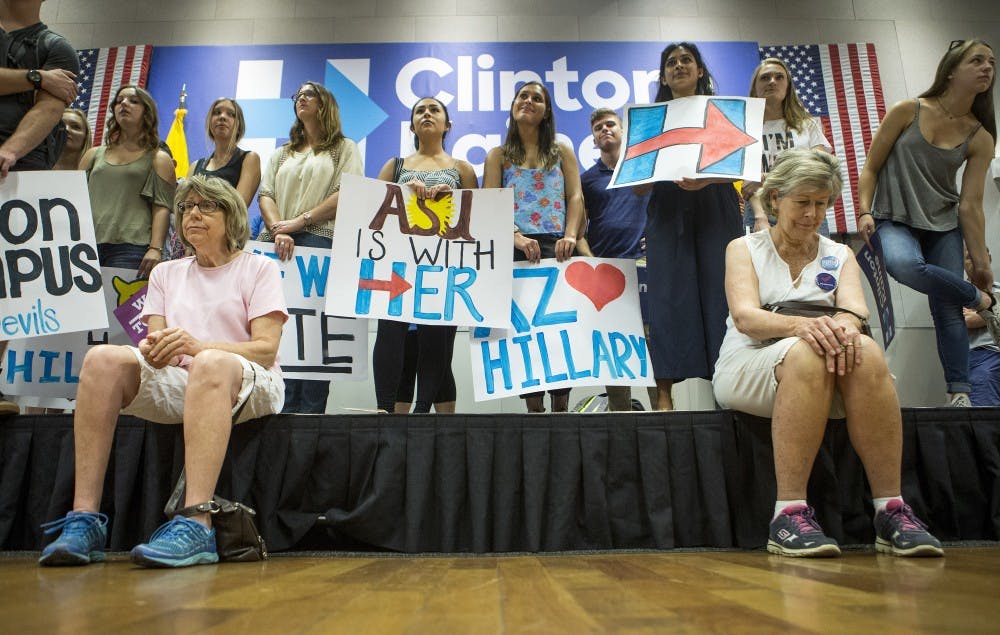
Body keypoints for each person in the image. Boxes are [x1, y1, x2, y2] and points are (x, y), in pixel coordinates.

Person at [37, 176, 287, 568]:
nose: (193, 215)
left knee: (209, 362)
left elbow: (266, 349)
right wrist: (154, 353)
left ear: (232, 216)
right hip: (186, 380)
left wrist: (199, 347)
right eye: (186, 208)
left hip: (252, 380)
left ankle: (197, 524)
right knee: (102, 359)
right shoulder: (165, 273)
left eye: (206, 206)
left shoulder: (259, 268)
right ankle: (84, 520)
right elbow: (156, 344)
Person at [713, 148, 943, 558]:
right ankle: (788, 514)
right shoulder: (743, 247)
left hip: (826, 357)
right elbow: (747, 317)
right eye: (803, 202)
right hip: (750, 362)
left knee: (868, 351)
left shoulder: (839, 254)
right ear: (775, 199)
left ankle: (890, 510)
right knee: (807, 353)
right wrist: (805, 327)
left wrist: (836, 331)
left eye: (821, 204)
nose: (812, 214)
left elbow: (855, 312)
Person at [858, 39, 1000, 407]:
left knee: (946, 308)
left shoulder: (980, 136)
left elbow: (970, 205)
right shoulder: (908, 110)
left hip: (943, 225)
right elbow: (871, 166)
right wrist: (863, 210)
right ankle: (975, 298)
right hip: (894, 217)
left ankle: (959, 393)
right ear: (951, 69)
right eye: (977, 61)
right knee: (904, 264)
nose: (987, 67)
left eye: (991, 63)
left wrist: (981, 265)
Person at [641, 42, 743, 410]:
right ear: (663, 76)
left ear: (700, 70)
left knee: (723, 295)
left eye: (687, 60)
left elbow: (744, 166)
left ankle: (729, 394)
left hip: (717, 204)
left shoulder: (724, 112)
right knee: (667, 298)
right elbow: (637, 186)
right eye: (671, 62)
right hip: (668, 210)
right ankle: (664, 400)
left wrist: (708, 179)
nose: (679, 66)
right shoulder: (649, 120)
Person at [257, 81, 363, 413]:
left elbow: (347, 193)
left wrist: (298, 223)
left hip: (321, 244)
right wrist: (278, 228)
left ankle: (311, 424)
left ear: (324, 104)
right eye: (297, 95)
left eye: (309, 94)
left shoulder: (344, 148)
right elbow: (266, 195)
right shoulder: (282, 153)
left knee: (314, 337)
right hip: (275, 246)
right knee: (279, 332)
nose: (301, 98)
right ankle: (278, 415)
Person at [483, 81, 584, 413]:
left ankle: (561, 409)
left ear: (546, 111)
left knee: (558, 333)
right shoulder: (497, 156)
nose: (528, 101)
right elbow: (490, 203)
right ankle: (534, 412)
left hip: (559, 250)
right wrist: (513, 235)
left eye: (536, 98)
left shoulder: (562, 151)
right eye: (522, 96)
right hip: (515, 251)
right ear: (513, 106)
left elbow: (575, 197)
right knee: (524, 335)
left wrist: (569, 235)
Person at [0, 1, 80, 416]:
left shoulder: (57, 47)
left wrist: (8, 152)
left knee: (8, 284)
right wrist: (33, 77)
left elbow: (51, 107)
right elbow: (44, 89)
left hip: (18, 176)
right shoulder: (43, 63)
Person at [373, 96, 476, 413]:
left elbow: (479, 217)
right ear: (412, 124)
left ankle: (430, 422)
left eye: (434, 110)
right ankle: (389, 418)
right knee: (395, 340)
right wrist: (403, 193)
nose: (427, 114)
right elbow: (373, 208)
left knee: (439, 346)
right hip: (400, 269)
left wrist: (455, 198)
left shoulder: (462, 168)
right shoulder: (396, 166)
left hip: (443, 270)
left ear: (448, 125)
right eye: (420, 110)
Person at [579, 107, 653, 411]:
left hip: (645, 268)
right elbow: (577, 228)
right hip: (606, 274)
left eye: (610, 124)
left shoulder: (644, 171)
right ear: (594, 140)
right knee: (613, 350)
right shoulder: (586, 180)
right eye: (598, 128)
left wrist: (657, 240)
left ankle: (663, 411)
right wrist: (592, 261)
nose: (604, 130)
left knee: (650, 346)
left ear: (623, 131)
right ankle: (621, 416)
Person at [79, 84, 176, 277]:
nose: (124, 103)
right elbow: (71, 200)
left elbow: (162, 207)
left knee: (119, 306)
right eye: (119, 100)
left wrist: (155, 248)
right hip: (85, 245)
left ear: (146, 111)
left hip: (132, 248)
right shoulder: (93, 155)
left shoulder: (159, 158)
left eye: (133, 101)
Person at [743, 57, 833, 233]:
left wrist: (766, 178)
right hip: (760, 211)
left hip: (806, 209)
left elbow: (819, 172)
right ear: (755, 87)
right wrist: (760, 217)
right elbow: (748, 184)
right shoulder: (744, 128)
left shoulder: (809, 125)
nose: (772, 82)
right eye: (765, 78)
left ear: (788, 86)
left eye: (779, 77)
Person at [188, 97, 260, 208]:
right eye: (217, 113)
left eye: (231, 114)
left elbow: (237, 209)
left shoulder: (250, 159)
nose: (222, 117)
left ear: (239, 126)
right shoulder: (194, 166)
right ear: (209, 122)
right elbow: (187, 207)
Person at [964, 249, 1000, 406]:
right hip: (981, 357)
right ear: (963, 264)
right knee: (985, 419)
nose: (975, 260)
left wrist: (977, 313)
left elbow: (972, 318)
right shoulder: (957, 292)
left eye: (979, 255)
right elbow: (966, 321)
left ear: (989, 258)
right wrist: (993, 311)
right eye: (968, 257)